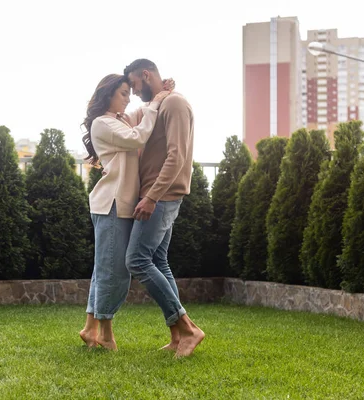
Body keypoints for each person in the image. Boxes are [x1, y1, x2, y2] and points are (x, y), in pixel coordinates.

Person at [79, 73, 171, 350]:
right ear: (108, 95)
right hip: (112, 205)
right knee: (114, 271)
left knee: (104, 268)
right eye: (122, 93)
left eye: (129, 92)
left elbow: (138, 114)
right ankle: (105, 335)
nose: (127, 97)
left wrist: (159, 92)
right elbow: (138, 137)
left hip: (118, 204)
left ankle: (89, 329)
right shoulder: (102, 123)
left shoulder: (117, 119)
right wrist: (155, 102)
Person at [123, 59, 205, 358]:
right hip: (158, 194)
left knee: (137, 259)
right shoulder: (159, 105)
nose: (133, 91)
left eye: (134, 84)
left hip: (163, 196)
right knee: (158, 259)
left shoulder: (175, 105)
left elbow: (177, 156)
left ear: (146, 75)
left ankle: (188, 329)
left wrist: (153, 196)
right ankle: (177, 336)